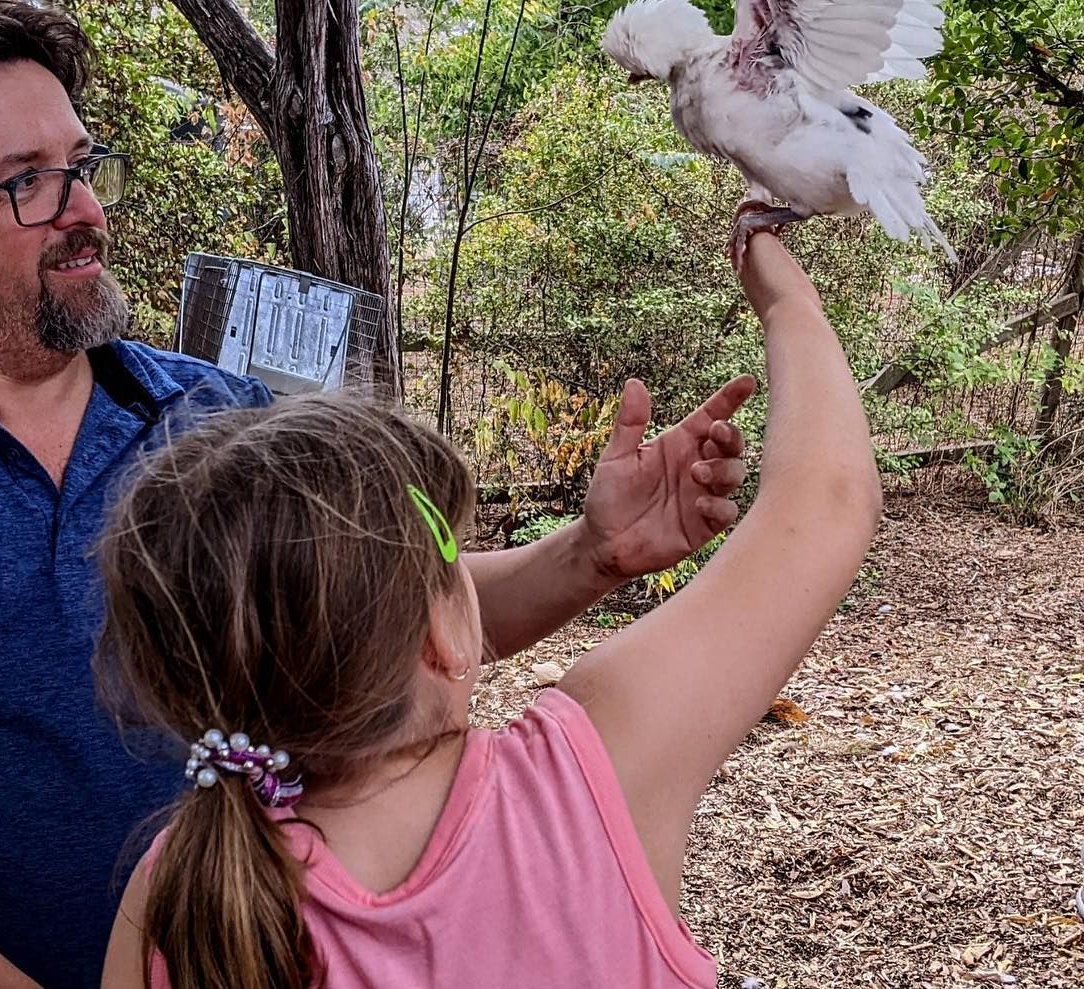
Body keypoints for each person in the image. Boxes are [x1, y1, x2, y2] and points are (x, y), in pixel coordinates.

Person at [0, 1, 752, 986]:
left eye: (81, 163)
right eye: (26, 182)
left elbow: (372, 624)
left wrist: (591, 551)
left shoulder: (220, 416)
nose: (85, 209)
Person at [94, 227, 882, 989]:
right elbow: (825, 501)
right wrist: (785, 297)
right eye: (456, 557)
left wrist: (592, 552)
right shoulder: (583, 780)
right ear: (440, 635)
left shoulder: (174, 896)